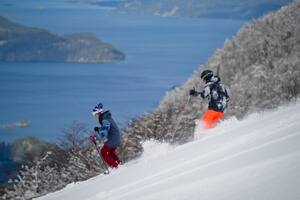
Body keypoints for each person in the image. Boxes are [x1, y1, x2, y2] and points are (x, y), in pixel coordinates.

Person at [89, 103, 121, 168]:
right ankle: (118, 165)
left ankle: (114, 166)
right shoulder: (107, 118)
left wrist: (95, 138)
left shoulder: (105, 120)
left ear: (99, 114)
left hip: (113, 138)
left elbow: (104, 131)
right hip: (116, 137)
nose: (96, 117)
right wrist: (99, 129)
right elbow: (106, 128)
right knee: (110, 152)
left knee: (103, 152)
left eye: (96, 115)